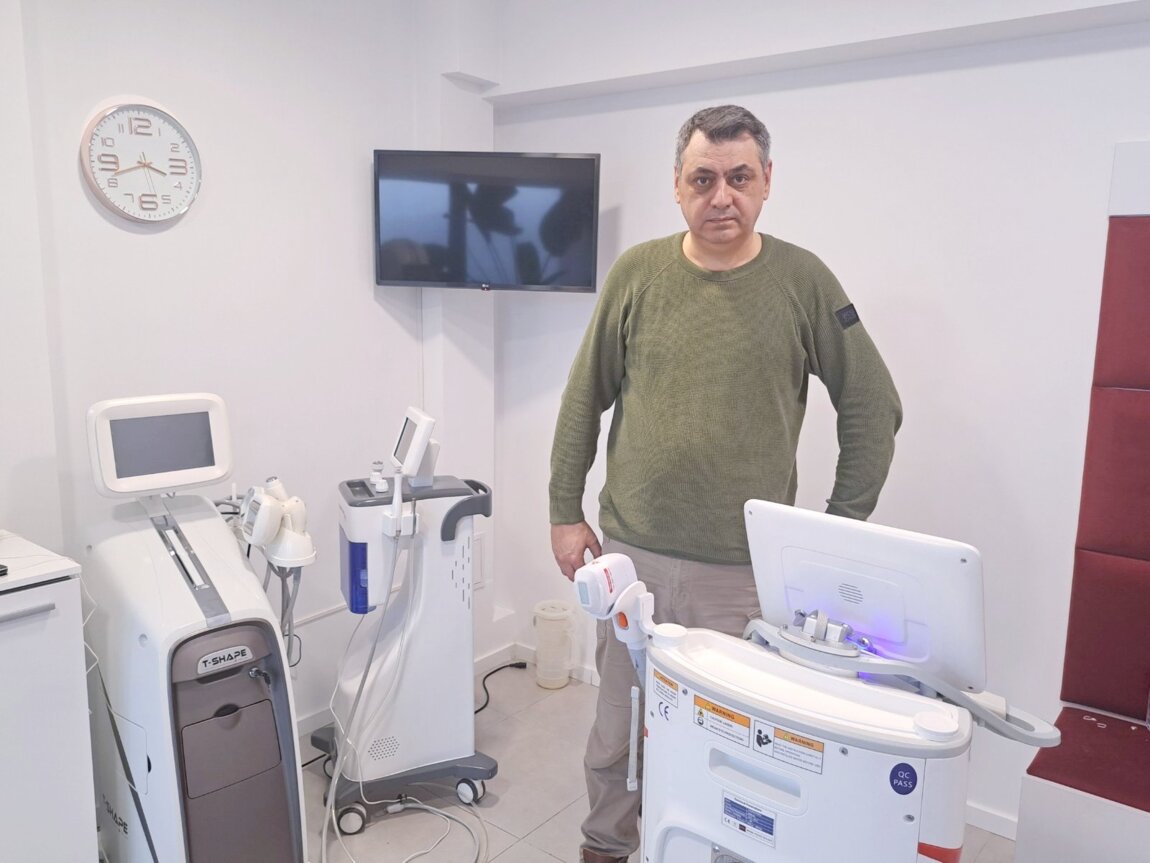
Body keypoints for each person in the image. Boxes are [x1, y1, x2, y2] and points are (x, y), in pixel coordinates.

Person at [548, 105, 903, 863]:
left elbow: (874, 405)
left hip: (742, 575)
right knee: (618, 731)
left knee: (733, 741)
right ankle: (605, 848)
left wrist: (833, 532)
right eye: (703, 179)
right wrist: (563, 510)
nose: (722, 197)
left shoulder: (803, 280)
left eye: (739, 178)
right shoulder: (638, 273)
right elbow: (583, 397)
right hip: (632, 560)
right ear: (677, 186)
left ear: (767, 181)